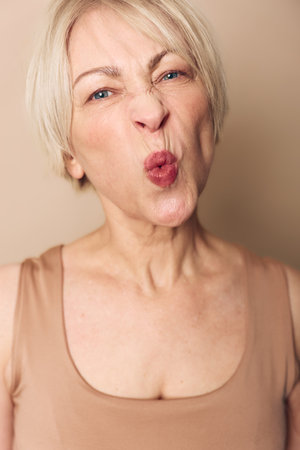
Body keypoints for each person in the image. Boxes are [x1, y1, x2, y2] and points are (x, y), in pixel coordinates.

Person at [0, 0, 299, 448]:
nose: (151, 110)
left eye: (170, 74)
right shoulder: (7, 312)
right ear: (70, 154)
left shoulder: (292, 309)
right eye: (102, 91)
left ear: (210, 103)